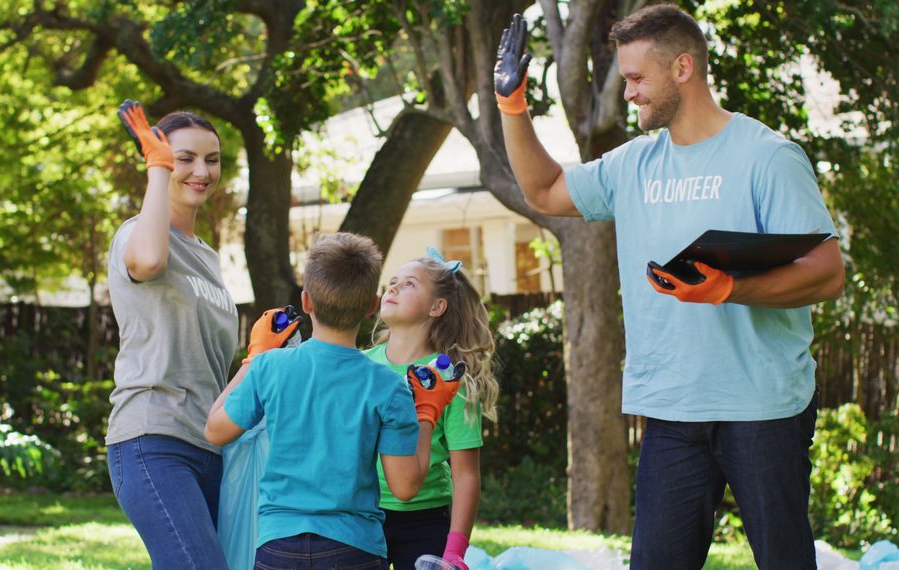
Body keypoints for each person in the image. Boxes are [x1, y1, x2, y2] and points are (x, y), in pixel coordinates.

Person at [495, 6, 844, 569]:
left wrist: (730, 288)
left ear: (683, 68)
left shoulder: (767, 157)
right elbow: (546, 190)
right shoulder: (634, 164)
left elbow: (828, 272)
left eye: (637, 78)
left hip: (762, 406)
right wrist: (513, 106)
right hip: (672, 411)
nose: (628, 93)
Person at [204, 232, 461, 568]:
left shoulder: (271, 367)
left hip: (278, 546)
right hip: (354, 548)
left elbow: (214, 430)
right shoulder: (388, 386)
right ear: (372, 307)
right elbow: (405, 487)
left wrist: (254, 358)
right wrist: (427, 411)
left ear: (307, 301)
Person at [105, 100, 240, 568]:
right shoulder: (136, 236)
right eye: (185, 158)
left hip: (210, 447)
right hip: (153, 439)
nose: (201, 171)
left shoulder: (208, 256)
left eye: (211, 159)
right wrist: (157, 172)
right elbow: (148, 263)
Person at [366, 247, 499, 570]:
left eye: (409, 284)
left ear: (437, 307)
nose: (393, 287)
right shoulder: (361, 367)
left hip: (426, 522)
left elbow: (465, 475)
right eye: (393, 281)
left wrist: (454, 551)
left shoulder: (451, 380)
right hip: (364, 513)